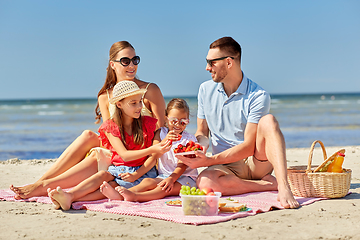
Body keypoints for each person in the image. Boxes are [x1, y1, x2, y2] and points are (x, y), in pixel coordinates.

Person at [10, 41, 166, 199]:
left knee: (96, 155)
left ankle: (43, 186)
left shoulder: (149, 89)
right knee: (88, 136)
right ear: (113, 64)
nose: (131, 65)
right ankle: (41, 182)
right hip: (119, 146)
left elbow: (161, 127)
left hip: (143, 148)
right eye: (125, 61)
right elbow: (110, 131)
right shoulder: (105, 96)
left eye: (135, 60)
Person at [178, 37, 300, 209]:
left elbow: (249, 146)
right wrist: (199, 148)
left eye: (211, 62)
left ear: (229, 62)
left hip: (255, 163)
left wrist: (208, 161)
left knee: (269, 121)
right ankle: (267, 185)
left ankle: (284, 186)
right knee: (204, 182)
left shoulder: (258, 95)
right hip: (224, 165)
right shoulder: (205, 89)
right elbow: (202, 131)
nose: (207, 68)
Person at [47, 81, 171, 210]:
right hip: (119, 170)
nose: (139, 106)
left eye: (140, 101)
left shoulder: (147, 124)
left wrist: (138, 172)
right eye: (133, 103)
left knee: (109, 187)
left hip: (143, 172)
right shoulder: (111, 127)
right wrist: (152, 149)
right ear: (119, 104)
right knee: (102, 176)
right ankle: (70, 195)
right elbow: (125, 155)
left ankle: (71, 198)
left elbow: (153, 158)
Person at [99, 98, 198, 202]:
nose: (178, 125)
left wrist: (172, 179)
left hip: (185, 178)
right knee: (147, 182)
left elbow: (182, 165)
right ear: (166, 118)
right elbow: (154, 156)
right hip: (164, 176)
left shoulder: (189, 140)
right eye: (174, 121)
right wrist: (166, 140)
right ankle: (123, 194)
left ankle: (135, 197)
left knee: (162, 189)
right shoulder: (160, 134)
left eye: (183, 122)